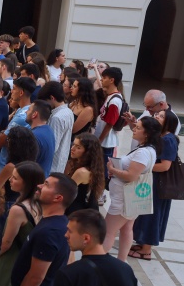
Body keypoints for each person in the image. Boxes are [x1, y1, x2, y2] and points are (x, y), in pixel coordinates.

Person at [102, 116, 162, 261]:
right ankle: (121, 261)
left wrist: (112, 169)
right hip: (128, 198)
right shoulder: (146, 149)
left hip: (124, 199)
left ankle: (97, 261)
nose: (134, 129)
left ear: (147, 133)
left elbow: (131, 176)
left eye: (138, 128)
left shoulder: (143, 152)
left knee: (108, 231)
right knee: (126, 229)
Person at [131, 110, 180, 260]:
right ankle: (142, 242)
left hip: (158, 184)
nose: (157, 116)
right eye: (157, 115)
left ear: (168, 122)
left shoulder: (168, 140)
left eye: (161, 116)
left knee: (153, 214)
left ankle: (146, 250)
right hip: (152, 181)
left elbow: (165, 166)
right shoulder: (160, 137)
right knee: (145, 212)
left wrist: (143, 167)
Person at [0, 127, 40, 213]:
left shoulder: (11, 167)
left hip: (7, 204)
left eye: (8, 140)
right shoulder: (31, 164)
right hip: (23, 203)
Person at [0, 77, 36, 171]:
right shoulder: (22, 110)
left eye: (14, 88)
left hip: (6, 164)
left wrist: (2, 133)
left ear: (21, 93)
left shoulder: (22, 116)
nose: (11, 91)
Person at [93, 67, 125, 180]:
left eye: (104, 77)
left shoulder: (115, 101)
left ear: (111, 80)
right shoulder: (110, 96)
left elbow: (110, 124)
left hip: (105, 143)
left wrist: (99, 140)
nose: (101, 80)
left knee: (102, 172)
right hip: (102, 141)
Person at [64, 133, 106, 215]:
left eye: (78, 147)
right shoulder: (93, 167)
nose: (72, 148)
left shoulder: (82, 172)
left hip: (75, 210)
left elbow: (66, 191)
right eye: (73, 145)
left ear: (88, 152)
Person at [40, 82, 73, 174]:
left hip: (52, 165)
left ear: (52, 98)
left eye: (46, 101)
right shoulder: (68, 111)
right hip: (60, 160)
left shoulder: (56, 118)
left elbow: (52, 146)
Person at [26, 100, 56, 176]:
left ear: (34, 114)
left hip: (32, 180)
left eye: (29, 110)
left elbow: (26, 165)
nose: (26, 112)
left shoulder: (33, 136)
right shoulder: (49, 131)